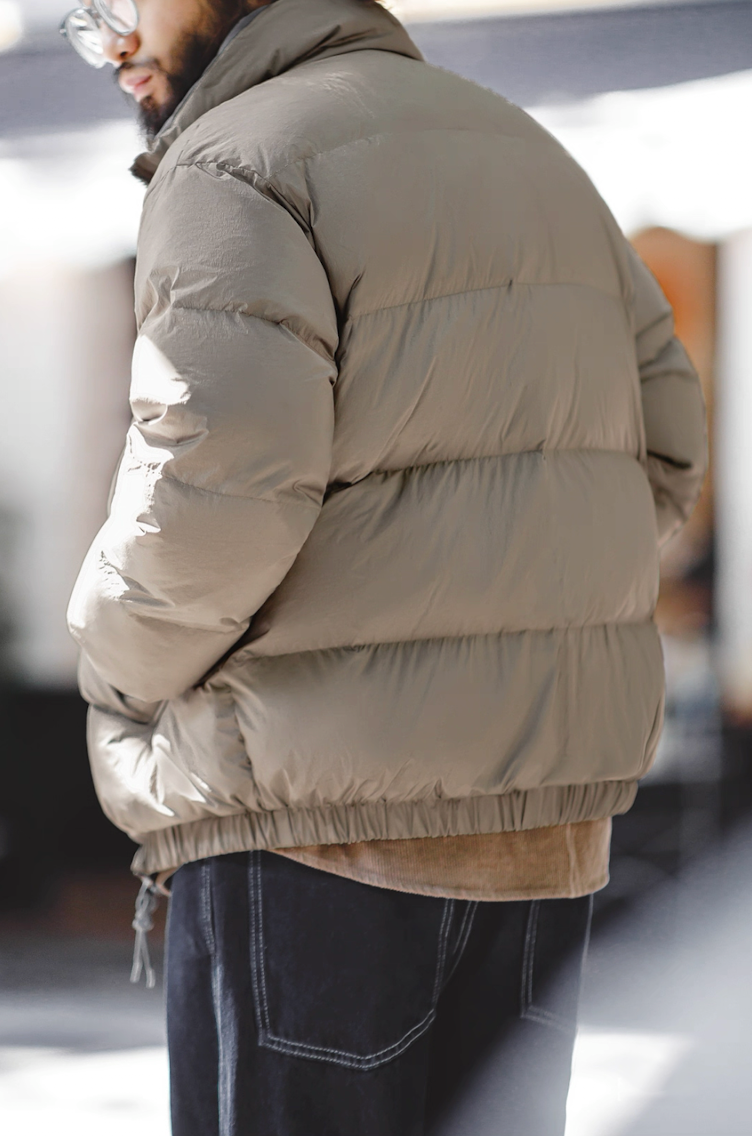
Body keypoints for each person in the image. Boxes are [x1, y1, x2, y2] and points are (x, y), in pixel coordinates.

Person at [64, 1, 707, 1132]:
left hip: (312, 833)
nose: (110, 42)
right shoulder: (526, 148)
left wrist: (114, 676)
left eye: (120, 6)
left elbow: (213, 489)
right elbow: (663, 441)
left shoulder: (233, 162)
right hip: (537, 834)